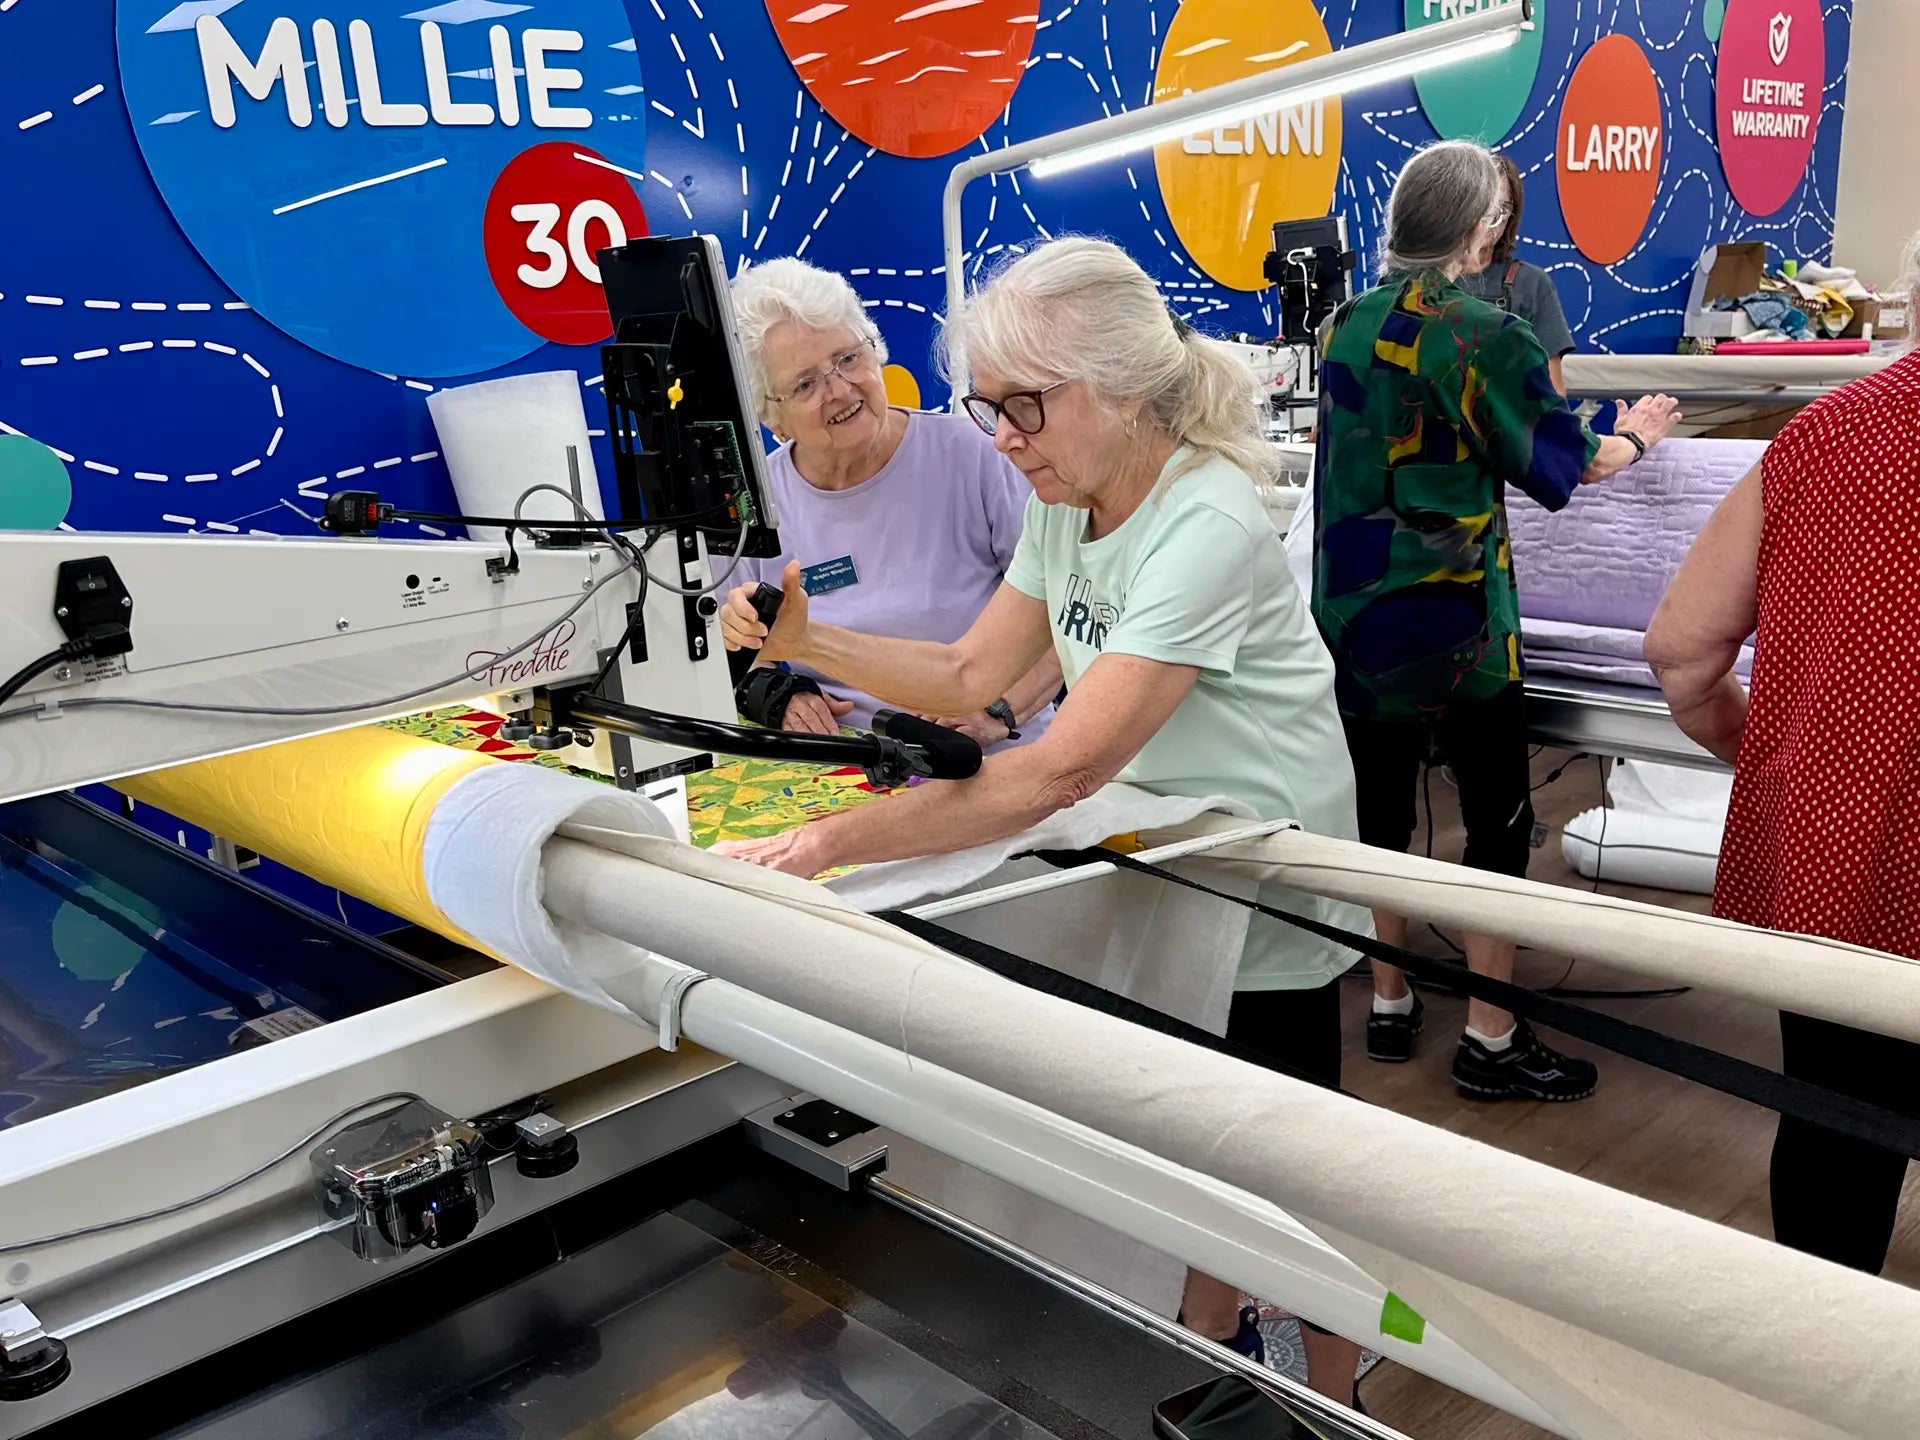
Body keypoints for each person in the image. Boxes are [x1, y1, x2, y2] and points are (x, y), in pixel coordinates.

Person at [715, 237, 1375, 1409]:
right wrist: (804, 640)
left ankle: (1336, 1402)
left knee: (1291, 1184)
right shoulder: (1068, 502)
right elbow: (971, 673)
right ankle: (1205, 1353)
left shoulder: (1205, 520)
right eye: (990, 407)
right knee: (1188, 1156)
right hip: (1157, 863)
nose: (1003, 436)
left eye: (1023, 406)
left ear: (1119, 392)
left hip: (1263, 894)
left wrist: (827, 845)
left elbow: (1060, 767)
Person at [1312, 139, 1681, 1097]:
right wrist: (1639, 434)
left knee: (1377, 820)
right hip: (1458, 633)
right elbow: (1576, 464)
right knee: (1496, 824)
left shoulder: (1341, 323)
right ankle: (1489, 1035)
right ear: (1483, 230)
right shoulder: (1485, 333)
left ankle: (1389, 1001)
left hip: (1353, 620)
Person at [1645, 234, 1920, 1276]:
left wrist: (1775, 757)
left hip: (1834, 866)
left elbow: (1680, 655)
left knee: (1833, 1128)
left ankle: (1811, 1352)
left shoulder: (1828, 433)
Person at [728, 257, 1060, 747]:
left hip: (986, 753)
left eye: (847, 358)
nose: (839, 390)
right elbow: (736, 655)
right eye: (805, 384)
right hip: (842, 762)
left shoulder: (980, 454)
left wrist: (999, 711)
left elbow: (1065, 609)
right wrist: (779, 695)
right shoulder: (754, 504)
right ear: (769, 416)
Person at [1453, 152, 1577, 396]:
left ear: (1512, 216)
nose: (1488, 220)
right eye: (1481, 204)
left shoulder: (1531, 284)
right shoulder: (1425, 280)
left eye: (1501, 208)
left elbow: (1552, 392)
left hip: (1509, 419)